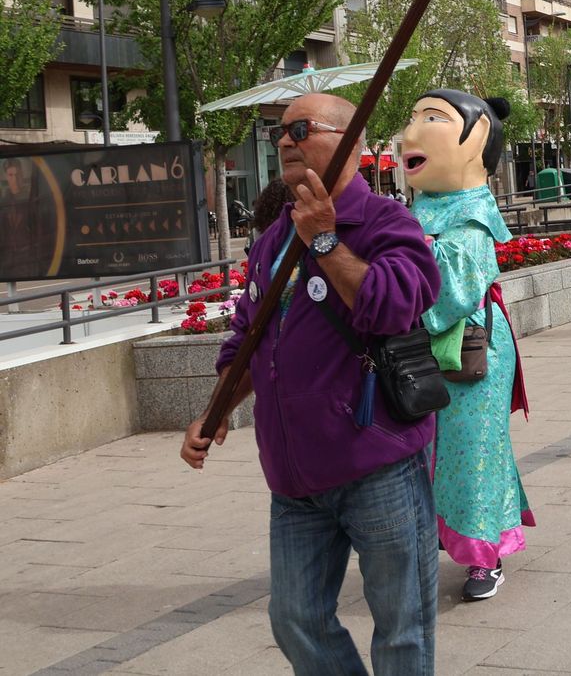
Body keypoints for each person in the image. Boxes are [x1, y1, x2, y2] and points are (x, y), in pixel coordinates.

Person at [181, 93, 443, 675]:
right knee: (296, 619)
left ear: (349, 141)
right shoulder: (273, 239)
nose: (284, 142)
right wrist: (215, 409)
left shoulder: (387, 222)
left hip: (376, 465)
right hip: (294, 477)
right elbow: (247, 337)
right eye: (279, 131)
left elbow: (395, 307)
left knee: (402, 628)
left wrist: (325, 239)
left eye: (300, 129)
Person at [402, 90, 533, 602]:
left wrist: (411, 251)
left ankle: (485, 556)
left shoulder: (474, 213)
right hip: (425, 348)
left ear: (477, 139)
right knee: (432, 453)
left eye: (432, 118)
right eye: (413, 118)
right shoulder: (420, 207)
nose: (412, 132)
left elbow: (452, 291)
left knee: (474, 448)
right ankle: (442, 539)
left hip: (472, 350)